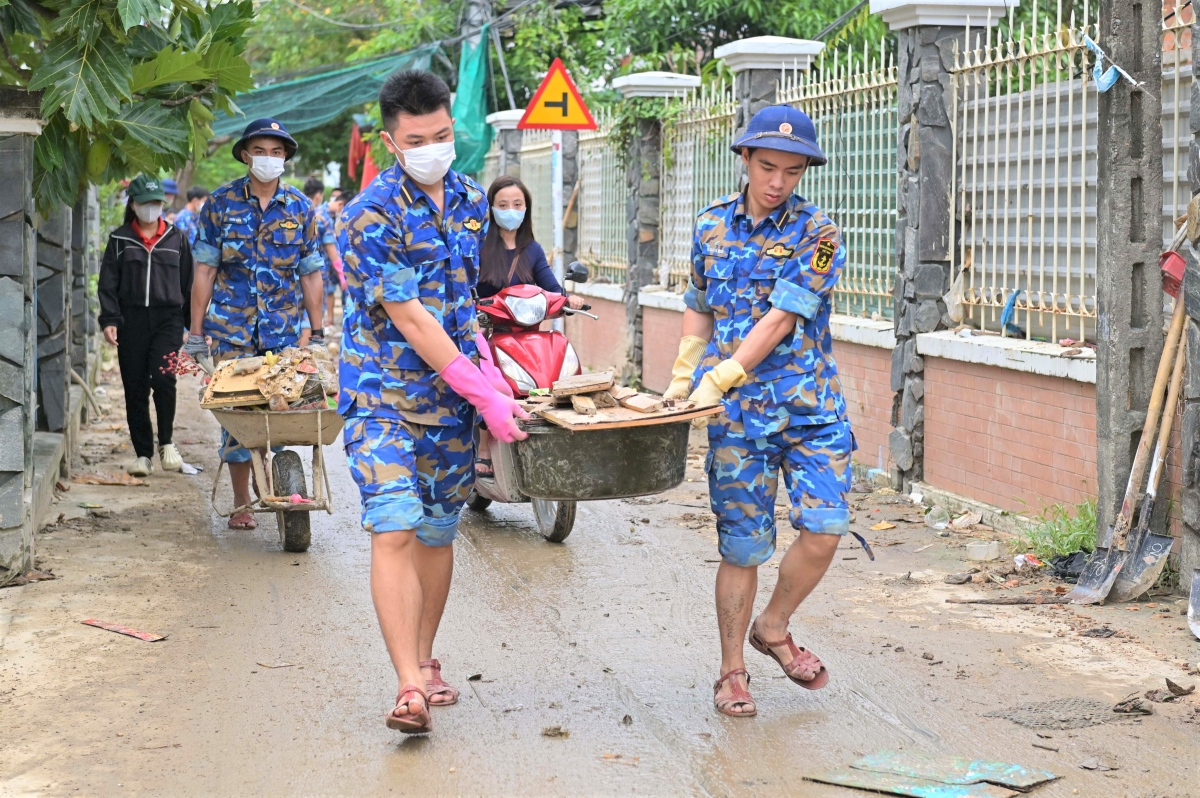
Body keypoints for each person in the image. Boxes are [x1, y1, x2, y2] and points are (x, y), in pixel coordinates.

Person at [338, 69, 528, 735]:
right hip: (382, 394)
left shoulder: (474, 200)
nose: (434, 147)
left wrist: (493, 379)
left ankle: (424, 654)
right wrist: (483, 389)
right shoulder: (368, 216)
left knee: (437, 534)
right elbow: (414, 319)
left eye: (443, 135)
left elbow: (459, 311)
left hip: (448, 405)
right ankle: (408, 685)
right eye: (418, 139)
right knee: (394, 524)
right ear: (393, 143)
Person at [663, 105, 853, 718]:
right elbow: (698, 302)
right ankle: (731, 671)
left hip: (808, 406)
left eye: (793, 171)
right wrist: (683, 371)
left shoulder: (818, 234)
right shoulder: (711, 225)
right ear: (744, 158)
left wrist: (722, 373)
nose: (778, 182)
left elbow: (780, 317)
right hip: (739, 420)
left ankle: (773, 625)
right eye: (768, 166)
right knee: (742, 547)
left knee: (824, 527)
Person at [184, 118, 325, 530]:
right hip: (231, 330)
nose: (269, 158)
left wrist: (316, 333)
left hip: (281, 334)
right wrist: (196, 334)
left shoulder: (300, 208)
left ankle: (281, 482)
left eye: (277, 152)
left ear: (286, 158)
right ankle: (243, 499)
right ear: (245, 155)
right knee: (239, 417)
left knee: (281, 411)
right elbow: (205, 272)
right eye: (260, 151)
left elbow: (311, 273)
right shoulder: (220, 204)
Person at [97, 174, 193, 477]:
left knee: (164, 379)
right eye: (145, 203)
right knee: (135, 385)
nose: (151, 208)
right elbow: (108, 284)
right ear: (134, 205)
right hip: (131, 319)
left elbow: (188, 283)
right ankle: (143, 454)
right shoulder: (120, 240)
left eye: (156, 203)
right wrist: (110, 319)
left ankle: (166, 443)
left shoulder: (177, 238)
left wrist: (193, 326)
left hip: (168, 320)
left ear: (162, 205)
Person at [477, 175, 586, 308]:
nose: (511, 210)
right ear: (491, 209)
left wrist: (569, 299)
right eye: (503, 205)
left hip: (526, 325)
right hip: (485, 326)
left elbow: (553, 289)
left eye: (517, 205)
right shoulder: (478, 247)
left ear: (526, 208)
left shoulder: (533, 250)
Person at [303, 177, 344, 327]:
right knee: (314, 312)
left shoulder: (296, 210)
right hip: (318, 270)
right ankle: (306, 349)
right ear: (319, 195)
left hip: (294, 269)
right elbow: (331, 248)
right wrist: (341, 273)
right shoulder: (322, 217)